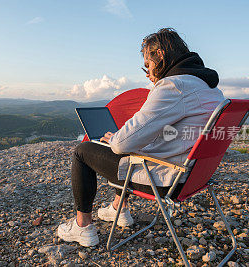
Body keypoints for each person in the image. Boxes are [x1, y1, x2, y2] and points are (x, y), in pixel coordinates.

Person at [57, 28, 225, 247]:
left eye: (148, 64)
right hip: (196, 176)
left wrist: (117, 138)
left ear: (161, 56)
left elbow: (121, 144)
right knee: (134, 144)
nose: (147, 72)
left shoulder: (173, 86)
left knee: (84, 152)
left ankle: (82, 227)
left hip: (169, 180)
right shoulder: (210, 88)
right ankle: (120, 208)